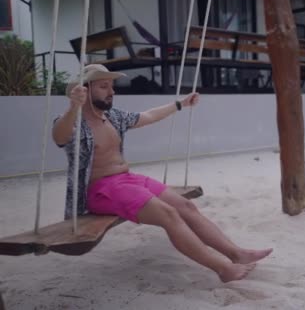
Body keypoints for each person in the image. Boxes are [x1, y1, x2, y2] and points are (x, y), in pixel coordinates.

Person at [52, 64, 272, 282]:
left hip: (127, 179)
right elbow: (59, 136)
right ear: (85, 90)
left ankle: (236, 254)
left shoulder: (113, 117)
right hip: (101, 190)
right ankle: (223, 268)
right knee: (169, 215)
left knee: (186, 206)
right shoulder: (74, 122)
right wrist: (73, 107)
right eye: (103, 86)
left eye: (111, 86)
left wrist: (180, 104)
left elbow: (148, 116)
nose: (111, 92)